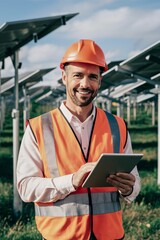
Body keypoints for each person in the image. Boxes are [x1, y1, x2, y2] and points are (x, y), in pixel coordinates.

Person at [17, 39, 141, 240]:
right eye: (78, 75)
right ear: (64, 77)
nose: (85, 84)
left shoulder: (117, 125)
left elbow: (134, 181)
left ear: (100, 81)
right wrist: (71, 181)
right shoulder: (39, 127)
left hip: (110, 235)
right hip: (62, 235)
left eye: (93, 76)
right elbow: (25, 187)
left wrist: (129, 188)